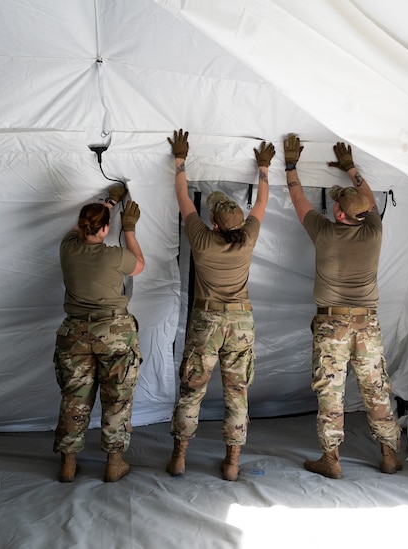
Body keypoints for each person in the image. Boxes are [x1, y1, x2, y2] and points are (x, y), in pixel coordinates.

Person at [283, 133, 401, 479]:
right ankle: (389, 454)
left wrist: (291, 166)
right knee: (375, 389)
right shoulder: (374, 230)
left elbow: (297, 197)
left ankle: (331, 459)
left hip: (332, 325)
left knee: (330, 392)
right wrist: (351, 168)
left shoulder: (324, 231)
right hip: (368, 325)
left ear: (337, 212)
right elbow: (369, 202)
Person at [165, 129, 273, 481]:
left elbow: (182, 195)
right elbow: (262, 203)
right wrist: (264, 169)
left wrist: (180, 161)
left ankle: (179, 457)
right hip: (241, 324)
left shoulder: (201, 238)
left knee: (192, 390)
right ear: (239, 223)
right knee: (237, 394)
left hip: (206, 323)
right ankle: (232, 464)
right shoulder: (248, 238)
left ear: (212, 223)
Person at [52, 184, 145, 483]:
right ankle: (113, 464)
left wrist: (108, 202)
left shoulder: (67, 246)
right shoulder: (116, 256)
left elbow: (85, 227)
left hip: (74, 333)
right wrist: (128, 229)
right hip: (114, 332)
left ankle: (68, 465)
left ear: (81, 227)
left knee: (74, 398)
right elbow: (139, 266)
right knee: (117, 397)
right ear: (106, 230)